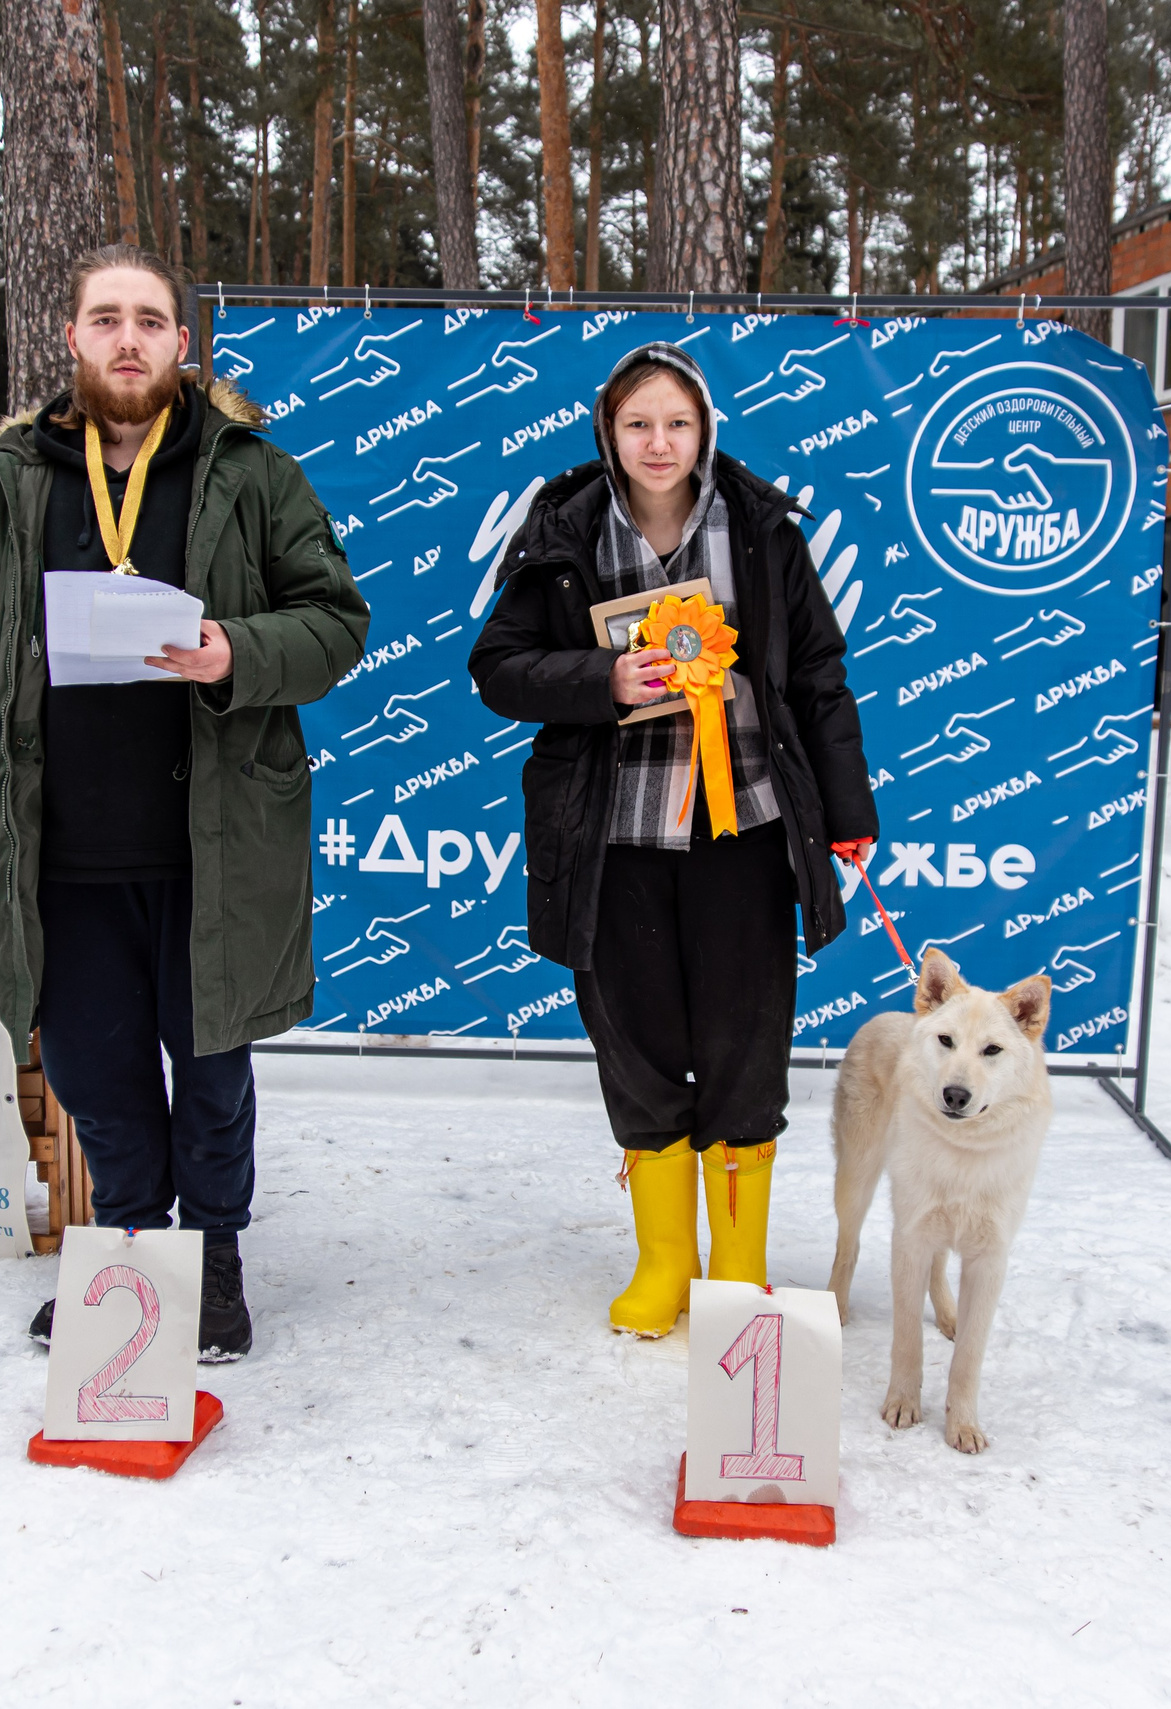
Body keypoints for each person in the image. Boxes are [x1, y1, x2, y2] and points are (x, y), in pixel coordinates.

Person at [0, 244, 367, 1361]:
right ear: (72, 339)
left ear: (181, 346)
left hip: (213, 839)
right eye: (105, 318)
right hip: (57, 840)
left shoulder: (251, 471)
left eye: (148, 320)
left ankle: (212, 1265)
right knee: (94, 1071)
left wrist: (232, 651)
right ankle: (131, 1254)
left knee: (210, 1066)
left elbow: (336, 620)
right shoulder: (12, 480)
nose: (127, 339)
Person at [468, 342, 878, 1338]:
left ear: (706, 432)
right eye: (638, 422)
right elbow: (498, 667)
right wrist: (602, 682)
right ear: (608, 430)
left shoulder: (764, 532)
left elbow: (818, 673)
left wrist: (848, 809)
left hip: (746, 829)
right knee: (640, 1048)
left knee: (745, 1047)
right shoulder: (561, 530)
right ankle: (664, 1262)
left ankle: (735, 1267)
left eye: (678, 423)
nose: (659, 442)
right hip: (614, 837)